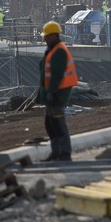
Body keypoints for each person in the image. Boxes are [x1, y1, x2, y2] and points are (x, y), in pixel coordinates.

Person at [38, 20, 78, 162]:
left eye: (47, 36)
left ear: (54, 36)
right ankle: (56, 152)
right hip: (52, 92)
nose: (44, 39)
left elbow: (57, 74)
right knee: (50, 124)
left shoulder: (59, 51)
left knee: (58, 123)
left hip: (58, 93)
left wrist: (52, 92)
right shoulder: (53, 50)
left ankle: (64, 153)